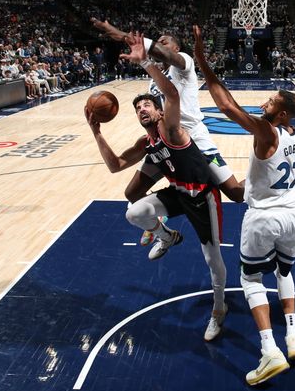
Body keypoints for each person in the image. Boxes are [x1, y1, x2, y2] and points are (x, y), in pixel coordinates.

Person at [86, 31, 228, 342]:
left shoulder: (172, 129)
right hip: (178, 194)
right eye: (138, 108)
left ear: (160, 110)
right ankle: (168, 236)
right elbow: (115, 166)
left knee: (213, 260)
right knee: (134, 211)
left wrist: (147, 61)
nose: (142, 109)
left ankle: (219, 310)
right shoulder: (145, 141)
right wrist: (96, 132)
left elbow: (174, 96)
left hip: (202, 198)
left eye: (148, 105)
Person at [194, 25, 295, 385]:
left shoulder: (268, 130)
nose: (266, 102)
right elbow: (259, 180)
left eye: (273, 101)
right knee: (284, 273)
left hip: (264, 219)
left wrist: (202, 62)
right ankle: (293, 337)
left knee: (251, 279)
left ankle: (269, 351)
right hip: (294, 217)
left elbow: (225, 105)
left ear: (282, 114)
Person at [91, 18, 243, 246]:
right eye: (158, 41)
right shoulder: (154, 81)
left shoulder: (185, 65)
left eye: (165, 42)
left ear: (176, 48)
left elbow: (162, 54)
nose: (159, 45)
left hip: (192, 141)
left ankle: (264, 176)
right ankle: (165, 234)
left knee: (236, 193)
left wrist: (116, 31)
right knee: (133, 194)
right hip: (164, 142)